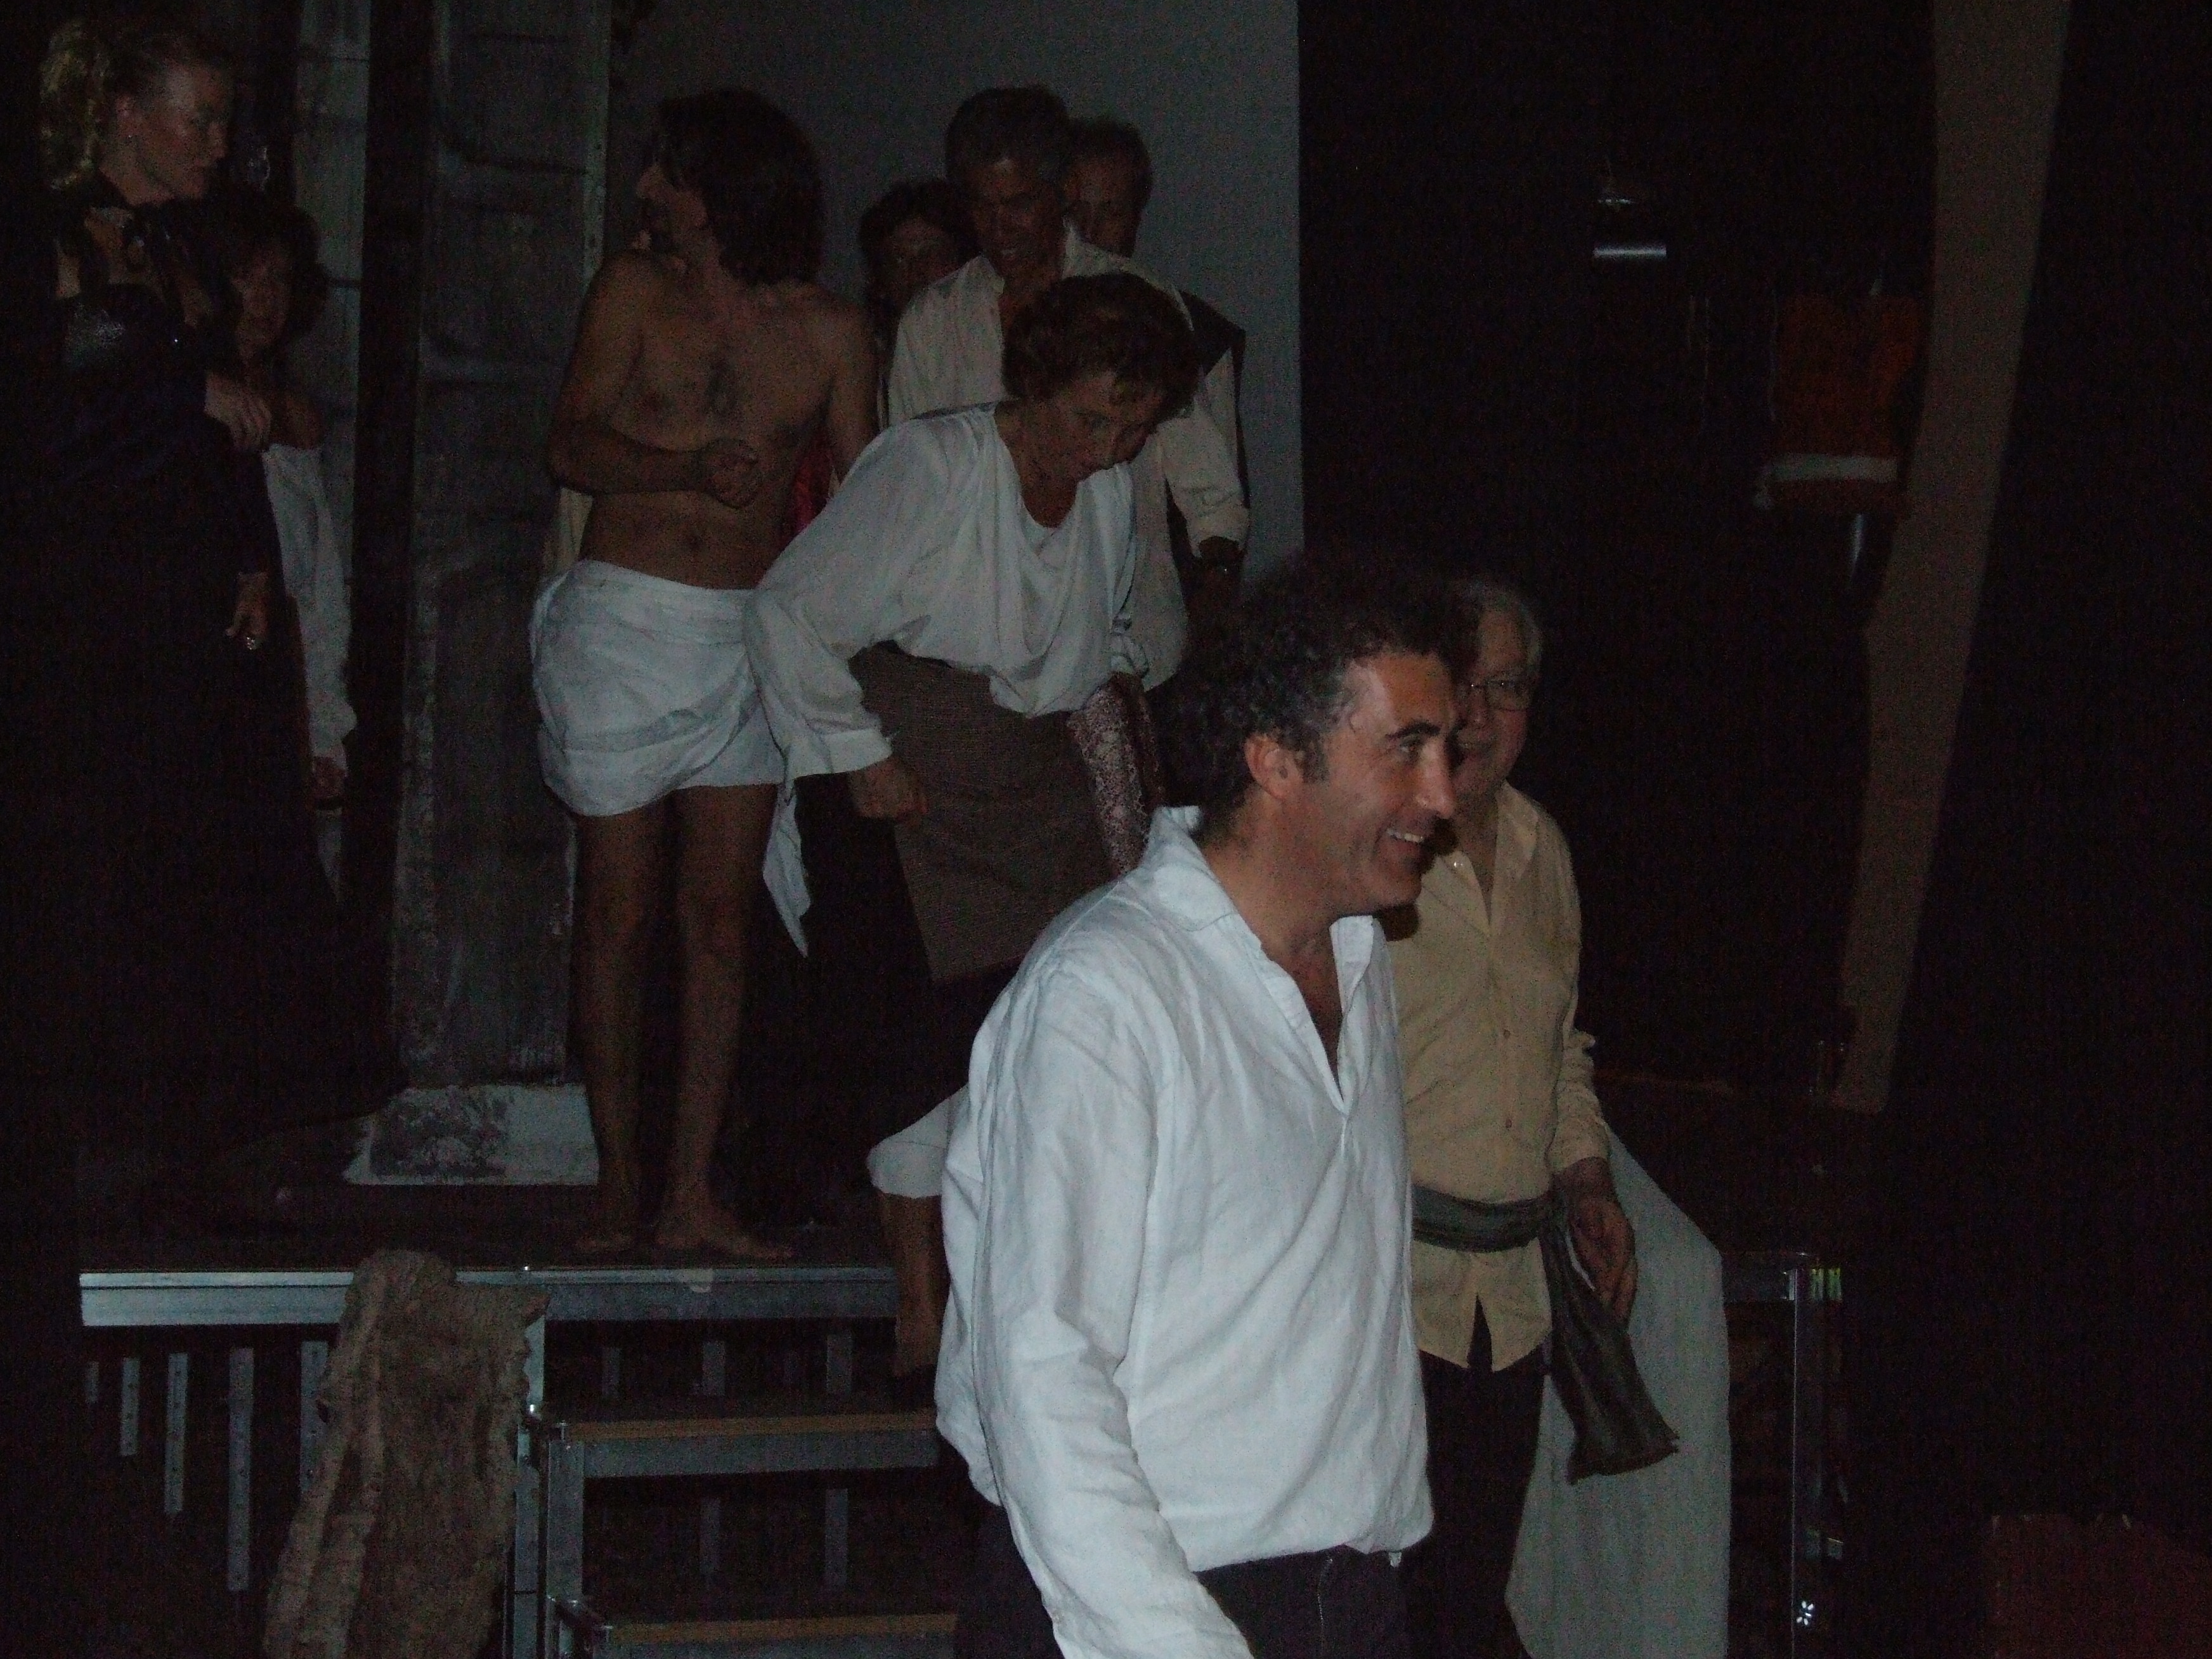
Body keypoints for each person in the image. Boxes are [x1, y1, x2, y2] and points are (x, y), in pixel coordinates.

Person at [937, 566, 1457, 1659]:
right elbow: (1042, 1372)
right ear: (1276, 759)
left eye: (1445, 750)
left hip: (1348, 1601)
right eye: (1406, 749)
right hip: (1135, 1612)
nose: (1442, 795)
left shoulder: (1358, 959)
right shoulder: (1107, 991)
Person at [746, 271, 1197, 1386]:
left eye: (1132, 429)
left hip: (1027, 779)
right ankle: (917, 1299)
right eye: (1089, 419)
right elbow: (790, 610)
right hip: (906, 768)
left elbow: (1102, 639)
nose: (1105, 448)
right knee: (921, 1046)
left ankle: (1028, 1294)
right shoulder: (931, 466)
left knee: (1046, 1029)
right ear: (1035, 384)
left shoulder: (1104, 493)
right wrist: (860, 755)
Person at [536, 87, 874, 1258]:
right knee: (619, 914)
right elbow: (569, 441)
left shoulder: (830, 331)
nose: (645, 191)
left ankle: (692, 1191)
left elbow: (864, 498)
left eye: (666, 172)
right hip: (625, 623)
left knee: (721, 920)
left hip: (746, 630)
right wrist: (683, 463)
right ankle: (618, 1182)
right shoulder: (635, 291)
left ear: (721, 188)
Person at [1388, 576, 1653, 1656]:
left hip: (1510, 1308)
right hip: (1388, 1299)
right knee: (1378, 1607)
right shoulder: (1378, 845)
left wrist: (1586, 1182)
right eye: (1462, 685)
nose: (1481, 715)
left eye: (1508, 687)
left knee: (1466, 1597)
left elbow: (1561, 1048)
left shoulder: (1548, 851)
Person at [887, 86, 1246, 689]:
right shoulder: (933, 321)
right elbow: (911, 490)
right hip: (983, 660)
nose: (1000, 228)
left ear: (1064, 192)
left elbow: (1211, 493)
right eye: (982, 207)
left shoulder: (1137, 302)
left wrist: (1216, 591)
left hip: (1127, 650)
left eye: (1019, 203)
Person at [1065, 116, 1249, 637]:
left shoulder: (1190, 330)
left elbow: (1216, 497)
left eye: (1111, 212)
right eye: (1076, 213)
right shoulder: (1019, 319)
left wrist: (1212, 598)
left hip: (1148, 621)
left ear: (1137, 217)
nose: (1090, 232)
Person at [222, 195, 355, 844]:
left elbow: (319, 588)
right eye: (249, 276)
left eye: (279, 278)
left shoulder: (295, 418)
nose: (266, 296)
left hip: (274, 677)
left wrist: (324, 728)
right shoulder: (181, 399)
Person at [857, 177, 973, 415]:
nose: (916, 270)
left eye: (931, 253)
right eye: (899, 258)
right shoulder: (863, 354)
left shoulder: (981, 342)